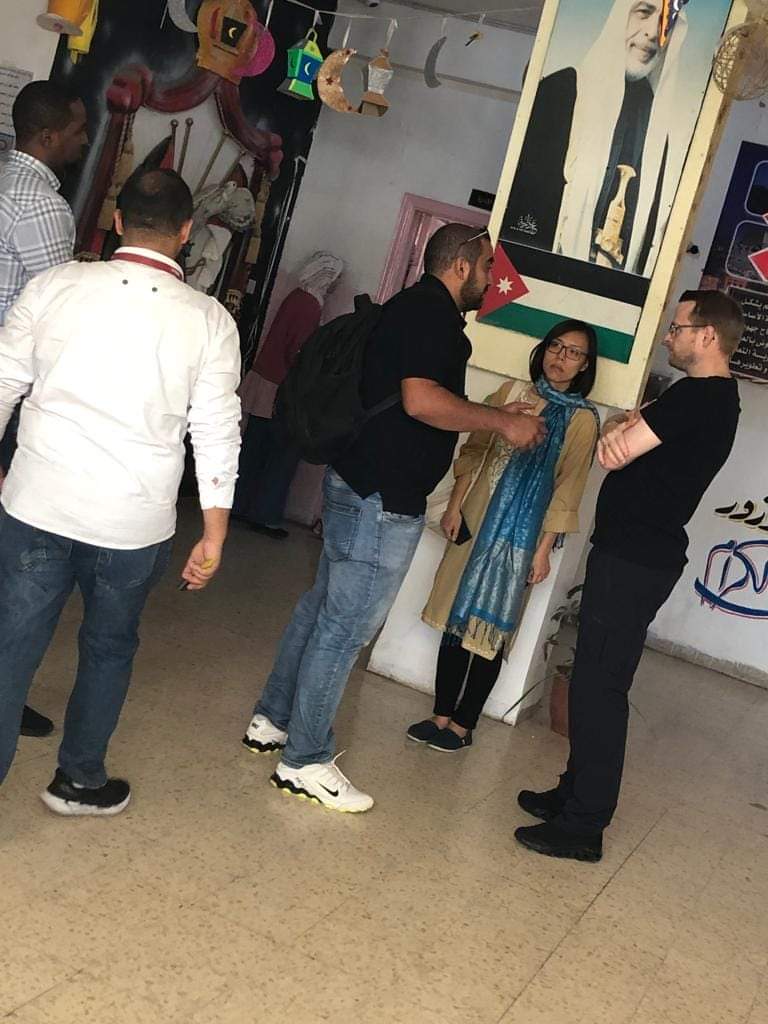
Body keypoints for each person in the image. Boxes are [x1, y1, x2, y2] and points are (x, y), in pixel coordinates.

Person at [242, 223, 546, 813]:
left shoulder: (408, 308)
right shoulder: (433, 318)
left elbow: (415, 394)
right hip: (382, 501)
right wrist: (503, 424)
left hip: (355, 483)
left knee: (321, 608)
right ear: (461, 265)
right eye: (487, 266)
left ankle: (272, 720)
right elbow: (421, 401)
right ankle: (304, 761)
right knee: (344, 628)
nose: (492, 279)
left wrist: (491, 412)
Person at [0, 168, 241, 815]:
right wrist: (214, 532)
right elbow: (217, 431)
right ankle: (79, 782)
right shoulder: (210, 321)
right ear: (187, 231)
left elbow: (3, 381)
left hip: (37, 501)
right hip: (133, 525)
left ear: (116, 220)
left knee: (10, 646)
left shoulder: (55, 286)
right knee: (108, 648)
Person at [515, 289, 743, 862]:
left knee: (600, 688)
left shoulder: (699, 397)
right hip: (631, 554)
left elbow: (611, 453)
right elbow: (623, 433)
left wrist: (624, 433)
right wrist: (626, 428)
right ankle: (571, 794)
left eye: (677, 328)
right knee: (592, 678)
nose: (669, 336)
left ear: (707, 336)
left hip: (636, 559)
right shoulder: (708, 398)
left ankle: (584, 825)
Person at [409, 320, 599, 751]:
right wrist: (455, 506)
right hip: (476, 517)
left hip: (520, 539)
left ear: (585, 365)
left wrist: (543, 551)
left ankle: (463, 725)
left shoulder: (582, 420)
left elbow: (568, 488)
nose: (561, 358)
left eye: (573, 353)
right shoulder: (511, 394)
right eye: (556, 346)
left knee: (492, 631)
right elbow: (475, 449)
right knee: (455, 613)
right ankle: (440, 715)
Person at [0, 80, 89, 739]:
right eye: (78, 131)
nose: (84, 141)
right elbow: (58, 313)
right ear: (50, 135)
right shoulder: (43, 203)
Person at [503, 0, 687, 275]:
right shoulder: (560, 91)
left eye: (665, 24)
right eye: (644, 13)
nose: (652, 32)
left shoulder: (655, 129)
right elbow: (526, 203)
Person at [235, 252, 344, 539]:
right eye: (335, 278)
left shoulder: (297, 296)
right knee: (281, 455)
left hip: (264, 382)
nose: (335, 284)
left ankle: (238, 504)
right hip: (281, 389)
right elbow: (297, 352)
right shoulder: (310, 305)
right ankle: (265, 514)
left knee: (254, 449)